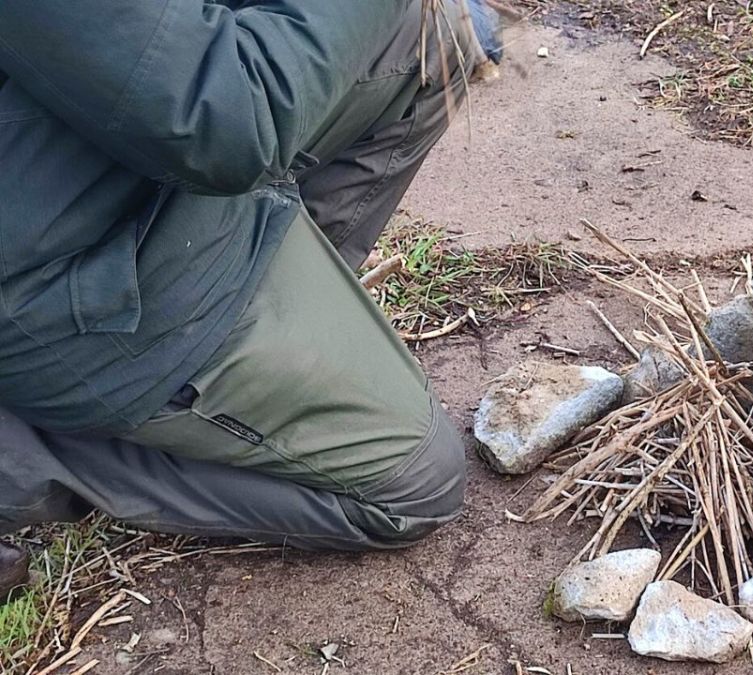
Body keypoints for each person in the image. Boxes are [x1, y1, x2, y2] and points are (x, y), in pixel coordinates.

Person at [0, 0, 500, 603]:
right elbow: (223, 117)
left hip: (109, 169)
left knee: (438, 36)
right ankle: (27, 457)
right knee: (417, 486)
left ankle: (267, 334)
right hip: (57, 284)